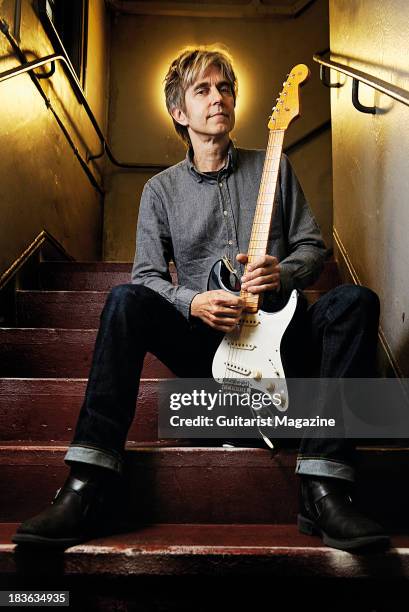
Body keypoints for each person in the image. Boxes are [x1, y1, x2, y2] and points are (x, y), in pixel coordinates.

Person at [13, 46, 389, 552]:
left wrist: (282, 273)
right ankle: (87, 485)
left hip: (281, 334)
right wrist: (192, 302)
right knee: (125, 299)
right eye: (203, 90)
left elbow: (312, 247)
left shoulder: (275, 166)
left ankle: (324, 489)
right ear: (179, 112)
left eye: (226, 88)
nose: (219, 98)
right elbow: (147, 276)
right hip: (204, 346)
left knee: (356, 301)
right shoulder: (159, 191)